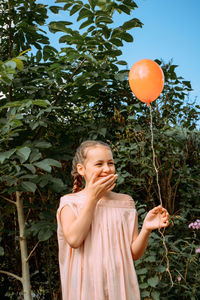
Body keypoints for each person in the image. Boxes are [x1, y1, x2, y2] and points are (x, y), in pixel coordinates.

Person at [57, 140, 170, 300]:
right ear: (81, 169)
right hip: (86, 289)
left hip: (121, 288)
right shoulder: (70, 202)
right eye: (99, 164)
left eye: (110, 163)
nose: (107, 169)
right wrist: (93, 198)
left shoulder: (125, 202)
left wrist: (146, 229)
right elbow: (74, 240)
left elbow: (133, 254)